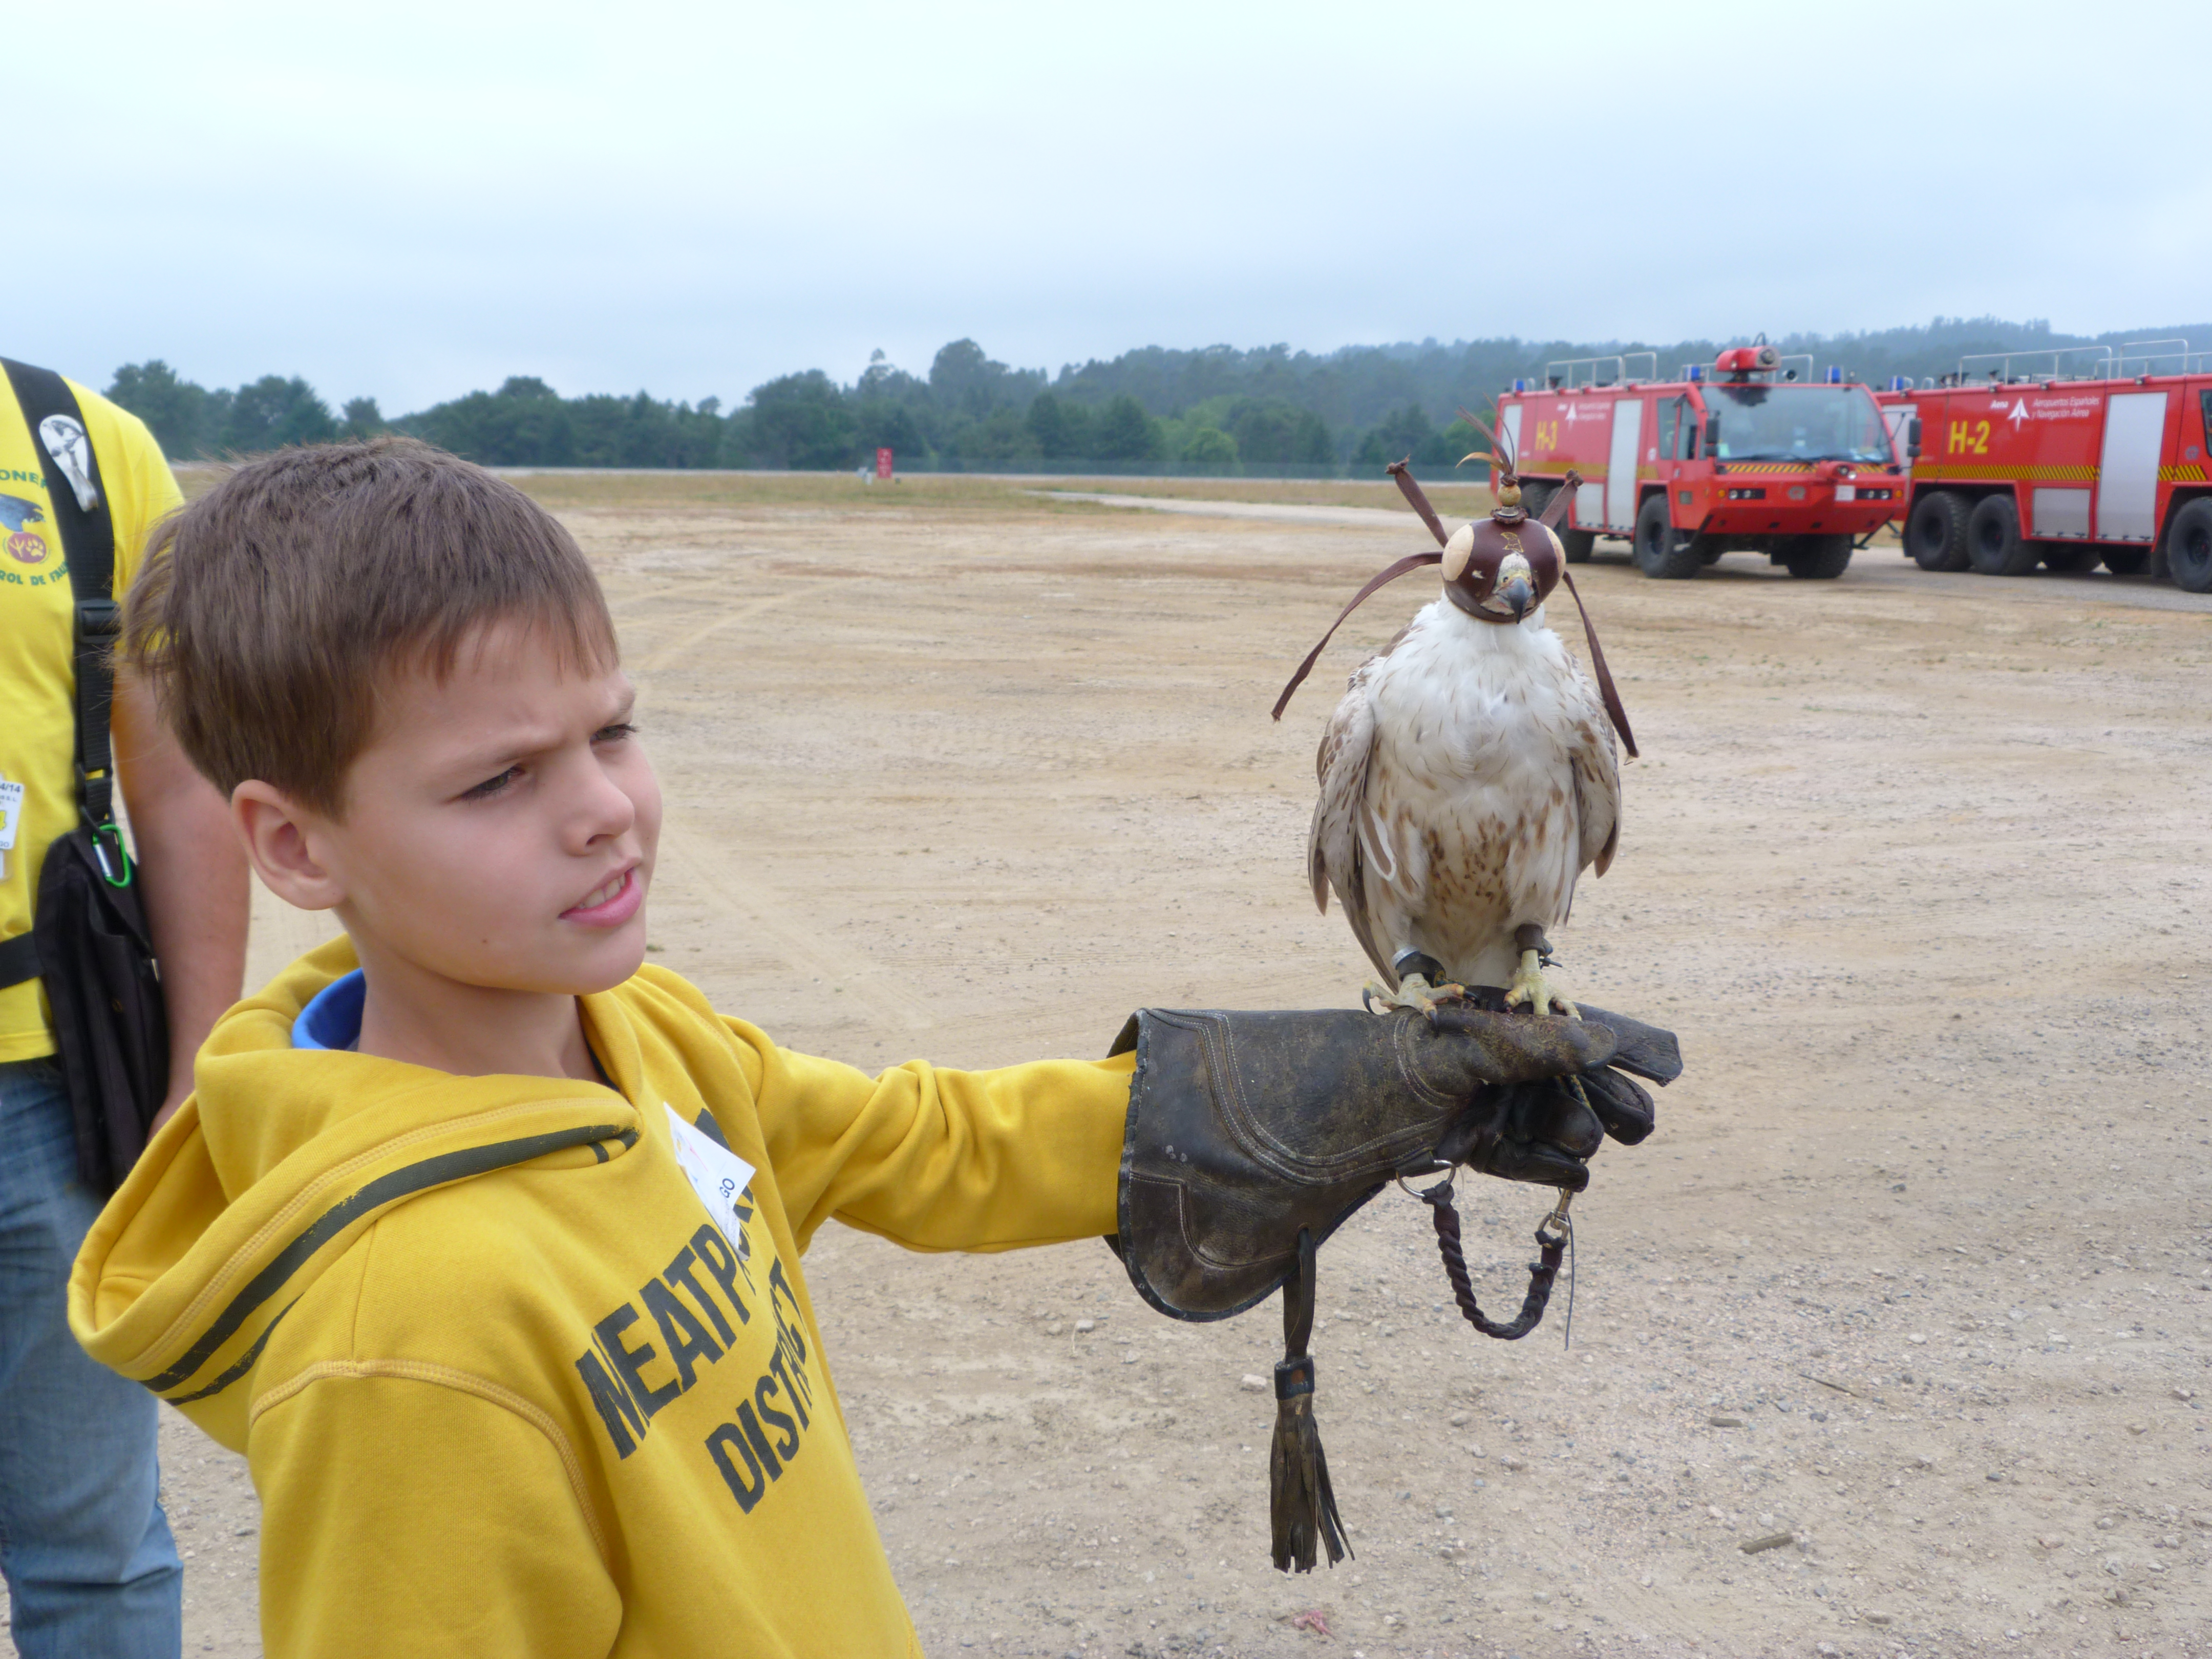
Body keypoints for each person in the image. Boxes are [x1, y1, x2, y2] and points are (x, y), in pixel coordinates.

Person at [69, 438, 1650, 1656]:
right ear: (295, 847)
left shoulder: (641, 1036)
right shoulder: (400, 1353)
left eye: (612, 730)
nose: (603, 807)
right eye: (497, 781)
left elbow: (925, 1145)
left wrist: (1355, 1093)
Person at [0, 364, 249, 1656]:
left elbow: (181, 776)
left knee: (92, 1552)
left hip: (49, 1095)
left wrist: (199, 1071)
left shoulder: (82, 452)